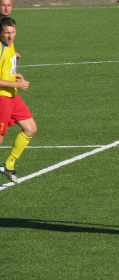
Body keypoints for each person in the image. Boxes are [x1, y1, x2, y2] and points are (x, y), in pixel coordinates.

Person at [0, 17, 36, 184]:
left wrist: (15, 76)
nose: (10, 36)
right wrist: (16, 83)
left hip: (12, 97)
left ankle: (9, 164)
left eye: (13, 32)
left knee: (30, 128)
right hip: (2, 98)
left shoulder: (9, 45)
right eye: (7, 33)